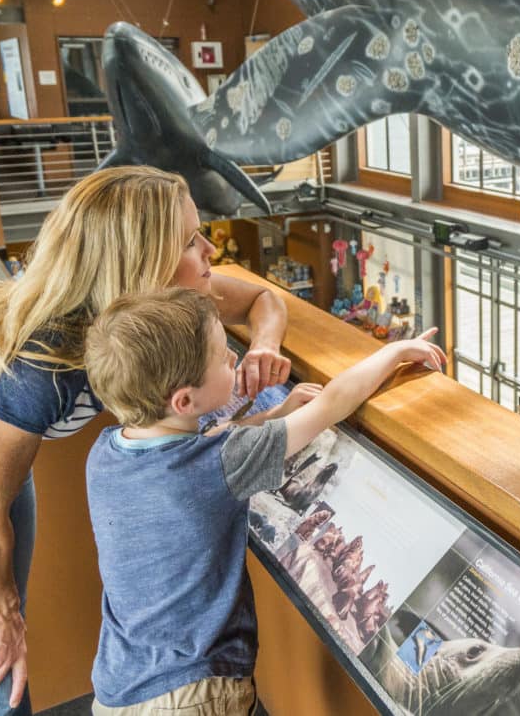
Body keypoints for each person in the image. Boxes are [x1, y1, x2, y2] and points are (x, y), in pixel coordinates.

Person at [0, 166, 292, 715]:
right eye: (189, 241)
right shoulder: (35, 365)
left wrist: (265, 347)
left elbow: (263, 301)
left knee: (7, 636)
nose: (208, 251)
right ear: (141, 262)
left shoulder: (148, 309)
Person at [80, 287, 446, 716]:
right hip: (196, 690)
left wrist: (275, 416)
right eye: (221, 357)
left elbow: (206, 441)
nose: (234, 358)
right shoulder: (218, 463)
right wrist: (397, 351)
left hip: (120, 683)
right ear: (183, 400)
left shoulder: (106, 453)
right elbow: (333, 403)